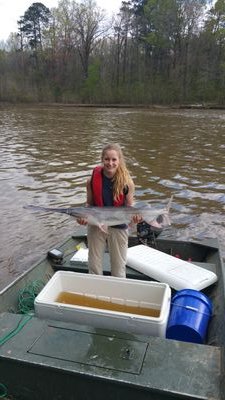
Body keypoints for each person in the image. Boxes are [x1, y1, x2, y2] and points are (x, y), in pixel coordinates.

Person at [77, 143, 140, 278]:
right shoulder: (91, 180)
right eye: (107, 159)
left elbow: (129, 208)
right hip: (96, 225)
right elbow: (89, 204)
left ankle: (117, 295)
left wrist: (135, 219)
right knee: (94, 266)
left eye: (114, 160)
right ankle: (96, 293)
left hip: (119, 227)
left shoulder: (128, 183)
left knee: (118, 269)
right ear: (102, 159)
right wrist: (82, 217)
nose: (110, 163)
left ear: (119, 161)